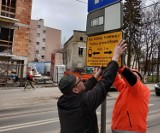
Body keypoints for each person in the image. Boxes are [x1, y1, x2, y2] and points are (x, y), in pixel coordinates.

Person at [57, 40, 127, 133]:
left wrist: (97, 75)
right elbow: (104, 83)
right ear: (75, 90)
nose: (82, 81)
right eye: (80, 81)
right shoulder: (85, 101)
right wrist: (115, 57)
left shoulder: (62, 101)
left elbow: (84, 86)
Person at [111, 66, 150, 133]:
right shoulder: (125, 88)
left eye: (135, 74)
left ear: (139, 79)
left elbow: (130, 77)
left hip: (131, 130)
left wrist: (119, 66)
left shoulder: (142, 89)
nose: (132, 75)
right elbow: (116, 80)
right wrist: (110, 68)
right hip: (119, 128)